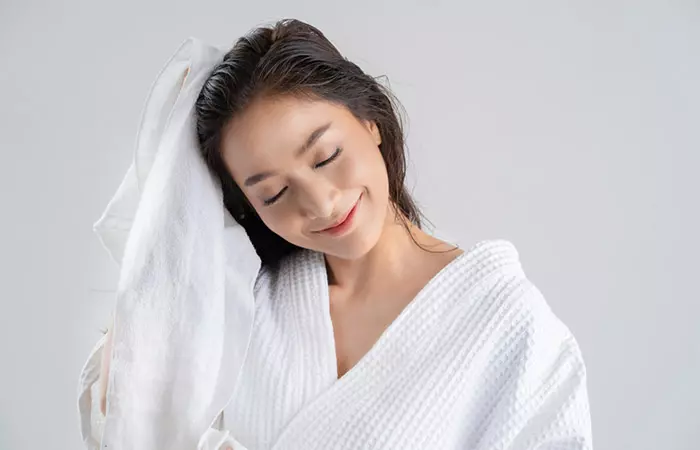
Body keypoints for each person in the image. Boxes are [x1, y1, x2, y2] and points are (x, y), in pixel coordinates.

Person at [80, 18, 592, 449]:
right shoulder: (241, 306)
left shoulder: (510, 324)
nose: (321, 202)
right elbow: (131, 420)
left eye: (326, 156)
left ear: (370, 121)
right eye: (274, 195)